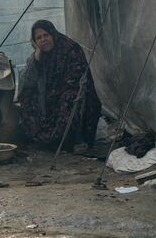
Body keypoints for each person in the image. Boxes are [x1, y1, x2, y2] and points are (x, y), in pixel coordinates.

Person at [18, 20, 101, 152]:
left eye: (46, 35)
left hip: (76, 94)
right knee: (27, 99)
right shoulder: (39, 55)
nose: (43, 40)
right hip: (50, 97)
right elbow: (27, 81)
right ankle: (43, 139)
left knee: (68, 99)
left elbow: (77, 81)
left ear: (53, 34)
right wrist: (37, 58)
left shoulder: (70, 49)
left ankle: (74, 140)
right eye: (38, 38)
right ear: (34, 42)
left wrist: (53, 94)